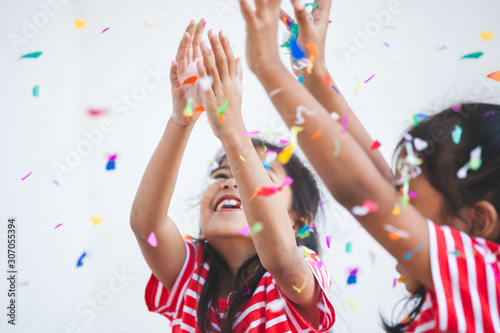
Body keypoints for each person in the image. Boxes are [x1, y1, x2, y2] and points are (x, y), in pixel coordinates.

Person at [238, 0, 500, 331]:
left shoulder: (484, 274)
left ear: (477, 221)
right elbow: (375, 180)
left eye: (404, 198)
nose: (393, 199)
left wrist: (268, 66)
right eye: (396, 191)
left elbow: (364, 189)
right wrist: (313, 74)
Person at [130, 19, 335, 332]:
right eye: (221, 175)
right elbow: (147, 228)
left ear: (298, 221)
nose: (230, 181)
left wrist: (233, 134)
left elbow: (280, 259)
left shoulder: (301, 272)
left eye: (259, 175)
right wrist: (181, 121)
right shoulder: (190, 272)